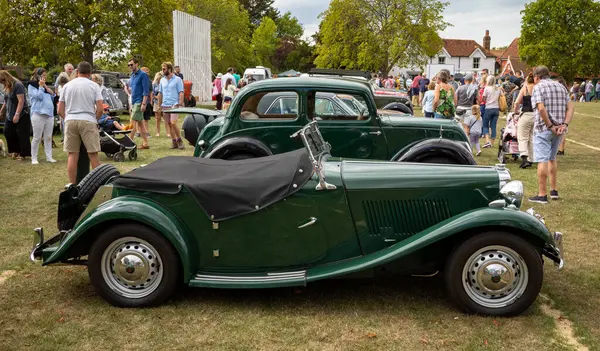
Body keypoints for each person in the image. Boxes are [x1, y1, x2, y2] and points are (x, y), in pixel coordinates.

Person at [528, 66, 573, 204]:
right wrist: (564, 124)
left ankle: (542, 195)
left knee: (542, 160)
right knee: (552, 159)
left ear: (537, 77)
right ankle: (554, 190)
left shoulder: (538, 87)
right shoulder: (560, 86)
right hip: (559, 129)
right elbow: (571, 107)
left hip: (544, 128)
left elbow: (541, 108)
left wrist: (549, 125)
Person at [57, 61, 104, 185]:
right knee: (93, 154)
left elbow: (59, 109)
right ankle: (97, 184)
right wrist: (96, 119)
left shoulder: (67, 86)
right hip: (88, 119)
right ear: (90, 73)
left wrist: (67, 118)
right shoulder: (94, 86)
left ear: (77, 71)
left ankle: (72, 185)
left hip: (71, 119)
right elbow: (100, 108)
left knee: (72, 155)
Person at [28, 68, 57, 164]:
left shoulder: (45, 87)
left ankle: (49, 157)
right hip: (38, 114)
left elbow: (52, 99)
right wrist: (41, 87)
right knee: (37, 137)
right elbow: (38, 97)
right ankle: (34, 158)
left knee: (48, 137)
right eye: (43, 75)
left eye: (45, 75)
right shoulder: (32, 85)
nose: (45, 77)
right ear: (38, 76)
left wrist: (52, 93)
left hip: (49, 115)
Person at [0, 70, 31, 160]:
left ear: (5, 78)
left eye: (1, 81)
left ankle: (23, 154)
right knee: (7, 131)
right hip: (10, 113)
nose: (1, 83)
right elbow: (6, 101)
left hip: (22, 114)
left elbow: (21, 101)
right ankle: (15, 151)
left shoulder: (18, 85)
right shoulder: (7, 86)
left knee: (21, 134)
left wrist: (17, 114)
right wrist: (1, 111)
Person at [157, 61, 185, 149]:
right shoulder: (162, 80)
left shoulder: (177, 79)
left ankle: (179, 140)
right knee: (169, 124)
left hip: (174, 105)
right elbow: (160, 93)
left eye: (164, 69)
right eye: (162, 69)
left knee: (173, 123)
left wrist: (180, 103)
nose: (162, 70)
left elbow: (181, 92)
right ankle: (174, 142)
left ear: (169, 69)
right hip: (165, 105)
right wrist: (159, 105)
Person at [513, 73, 536, 168]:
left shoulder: (525, 88)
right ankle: (531, 158)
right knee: (531, 137)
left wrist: (516, 112)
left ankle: (525, 158)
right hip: (536, 115)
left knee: (522, 137)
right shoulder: (537, 88)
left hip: (526, 114)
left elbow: (517, 102)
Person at [127, 57, 150, 149]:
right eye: (129, 65)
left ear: (137, 64)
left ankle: (129, 142)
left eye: (131, 64)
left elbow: (146, 90)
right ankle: (145, 143)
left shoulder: (143, 75)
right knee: (140, 123)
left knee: (132, 122)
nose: (130, 66)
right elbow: (132, 90)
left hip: (139, 102)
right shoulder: (132, 75)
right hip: (133, 101)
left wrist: (144, 103)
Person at [481, 75, 501, 148]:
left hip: (488, 108)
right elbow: (500, 97)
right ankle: (491, 143)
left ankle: (487, 141)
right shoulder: (498, 89)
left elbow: (483, 99)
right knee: (493, 126)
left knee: (485, 125)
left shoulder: (487, 88)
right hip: (496, 109)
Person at [152, 72, 168, 137]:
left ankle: (168, 132)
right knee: (157, 118)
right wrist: (157, 98)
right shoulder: (154, 84)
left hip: (164, 102)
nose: (159, 80)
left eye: (161, 78)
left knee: (166, 118)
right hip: (156, 102)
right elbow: (152, 93)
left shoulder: (165, 84)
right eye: (158, 79)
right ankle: (158, 132)